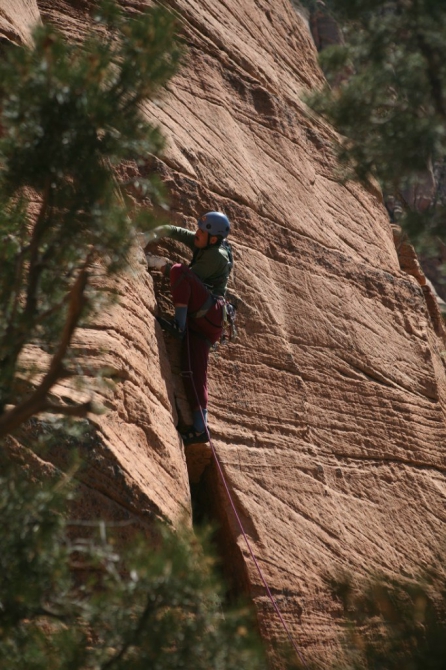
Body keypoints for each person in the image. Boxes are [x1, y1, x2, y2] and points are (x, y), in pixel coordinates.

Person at [144, 212, 233, 446]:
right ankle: (199, 426)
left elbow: (186, 277)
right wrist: (149, 235)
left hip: (209, 313)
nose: (197, 233)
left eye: (202, 231)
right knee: (191, 371)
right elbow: (174, 231)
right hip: (206, 323)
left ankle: (178, 325)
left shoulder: (216, 256)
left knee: (179, 271)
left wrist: (156, 263)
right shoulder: (206, 242)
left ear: (213, 239)